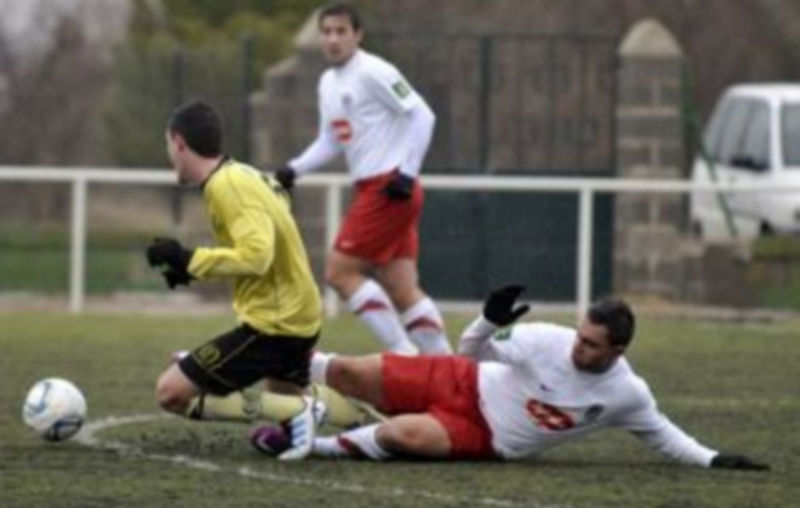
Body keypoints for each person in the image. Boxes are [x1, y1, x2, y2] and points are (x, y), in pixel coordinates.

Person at [263, 285, 768, 470]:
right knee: (350, 370)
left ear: (618, 351)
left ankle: (314, 445)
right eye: (580, 334)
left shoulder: (626, 394)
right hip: (460, 379)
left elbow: (665, 437)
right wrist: (489, 320)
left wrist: (714, 459)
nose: (578, 346)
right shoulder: (548, 338)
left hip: (485, 437)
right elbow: (470, 350)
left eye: (592, 344)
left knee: (402, 435)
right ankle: (260, 359)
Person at [147, 100, 329, 460]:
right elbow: (278, 207)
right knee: (288, 413)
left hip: (274, 324)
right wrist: (189, 269)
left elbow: (256, 256)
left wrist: (188, 258)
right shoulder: (242, 173)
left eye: (169, 145)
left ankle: (301, 413)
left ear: (179, 142)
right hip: (298, 315)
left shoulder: (225, 185)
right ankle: (351, 419)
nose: (170, 154)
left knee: (171, 392)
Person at [274, 2, 450, 355]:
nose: (333, 39)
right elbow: (332, 139)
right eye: (327, 32)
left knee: (339, 273)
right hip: (376, 188)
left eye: (341, 31)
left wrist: (407, 171)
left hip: (389, 187)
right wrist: (295, 169)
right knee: (400, 286)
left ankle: (404, 357)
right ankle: (449, 368)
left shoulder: (373, 71)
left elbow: (423, 115)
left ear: (358, 35)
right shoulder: (328, 82)